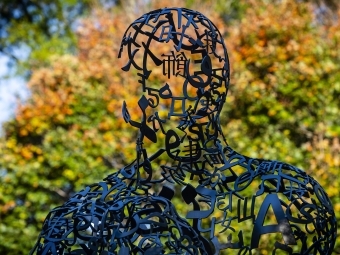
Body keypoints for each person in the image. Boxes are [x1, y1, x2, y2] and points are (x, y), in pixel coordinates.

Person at [31, 7, 336, 255]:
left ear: (215, 90)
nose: (154, 102)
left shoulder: (291, 195)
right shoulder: (87, 214)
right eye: (146, 86)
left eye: (174, 86)